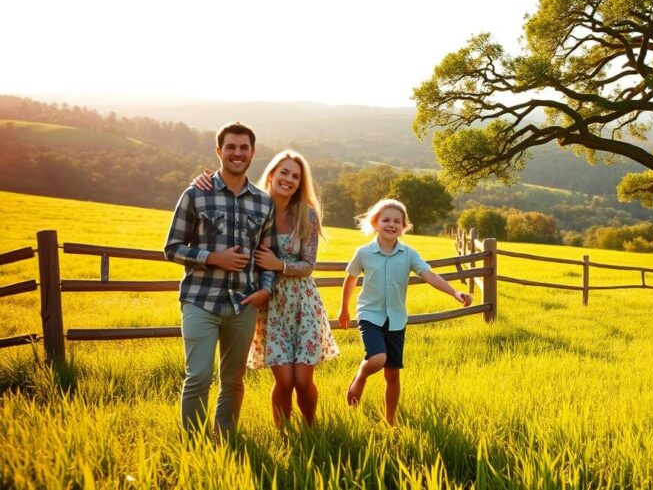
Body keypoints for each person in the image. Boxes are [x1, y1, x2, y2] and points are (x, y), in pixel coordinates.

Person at [193, 150, 339, 429]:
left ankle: (311, 430)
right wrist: (199, 181)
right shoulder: (255, 206)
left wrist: (278, 264)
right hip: (269, 305)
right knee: (284, 380)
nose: (289, 180)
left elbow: (308, 265)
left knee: (303, 380)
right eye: (284, 172)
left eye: (296, 176)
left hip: (302, 302)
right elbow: (223, 194)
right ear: (271, 174)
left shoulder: (306, 214)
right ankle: (283, 433)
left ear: (300, 183)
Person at [164, 121, 276, 437]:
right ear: (219, 151)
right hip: (201, 300)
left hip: (243, 304)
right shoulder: (195, 195)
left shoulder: (263, 202)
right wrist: (215, 258)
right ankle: (193, 444)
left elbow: (267, 256)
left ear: (253, 152)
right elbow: (172, 248)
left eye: (244, 148)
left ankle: (224, 439)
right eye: (231, 147)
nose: (237, 153)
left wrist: (265, 291)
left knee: (233, 380)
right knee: (198, 376)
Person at [338, 198, 472, 426]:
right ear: (375, 222)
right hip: (370, 314)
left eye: (397, 221)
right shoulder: (364, 252)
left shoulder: (409, 254)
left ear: (404, 226)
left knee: (392, 374)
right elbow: (350, 279)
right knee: (378, 359)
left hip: (397, 319)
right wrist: (344, 310)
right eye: (386, 220)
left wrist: (454, 292)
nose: (391, 224)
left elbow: (429, 275)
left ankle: (390, 420)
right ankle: (361, 375)